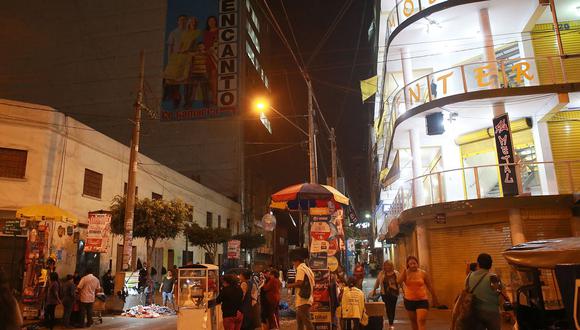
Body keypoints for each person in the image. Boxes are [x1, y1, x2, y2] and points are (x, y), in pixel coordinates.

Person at [398, 256, 438, 330]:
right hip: (409, 300)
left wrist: (434, 297)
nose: (413, 265)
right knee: (413, 322)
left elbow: (429, 286)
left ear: (417, 263)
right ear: (408, 265)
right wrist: (404, 271)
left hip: (422, 300)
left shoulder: (423, 273)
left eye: (414, 263)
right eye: (411, 264)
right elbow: (399, 282)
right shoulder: (406, 273)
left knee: (421, 320)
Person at [467, 253, 502, 330]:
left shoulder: (469, 276)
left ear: (478, 264)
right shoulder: (493, 278)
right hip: (492, 312)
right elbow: (500, 296)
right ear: (491, 264)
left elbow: (466, 292)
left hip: (475, 312)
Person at [287, 254, 315, 330]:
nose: (294, 265)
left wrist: (289, 285)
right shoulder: (308, 269)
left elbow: (300, 282)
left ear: (297, 262)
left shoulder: (300, 269)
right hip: (307, 298)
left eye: (294, 263)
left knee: (307, 322)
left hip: (303, 300)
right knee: (300, 322)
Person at [372, 260, 400, 329]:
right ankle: (391, 323)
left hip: (394, 294)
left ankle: (391, 322)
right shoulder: (381, 273)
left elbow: (401, 282)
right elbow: (377, 282)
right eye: (386, 265)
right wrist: (374, 290)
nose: (387, 267)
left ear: (391, 266)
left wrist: (405, 292)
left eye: (389, 265)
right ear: (384, 266)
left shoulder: (396, 273)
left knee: (393, 308)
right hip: (384, 294)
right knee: (388, 308)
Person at [203, 16, 219, 106]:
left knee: (214, 75)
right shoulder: (206, 33)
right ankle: (212, 96)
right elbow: (205, 45)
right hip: (208, 56)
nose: (211, 22)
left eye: (213, 21)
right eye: (210, 21)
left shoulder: (219, 31)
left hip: (216, 55)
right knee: (209, 77)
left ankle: (215, 98)